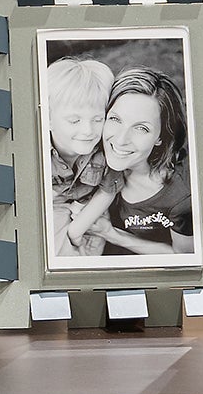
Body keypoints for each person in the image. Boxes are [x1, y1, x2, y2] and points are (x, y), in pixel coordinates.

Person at [72, 67, 195, 258]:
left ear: (161, 136)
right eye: (115, 119)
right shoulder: (89, 153)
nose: (121, 140)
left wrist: (111, 234)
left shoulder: (181, 196)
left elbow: (183, 254)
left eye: (141, 128)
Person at [43, 55, 116, 258]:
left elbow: (108, 189)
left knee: (89, 249)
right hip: (52, 203)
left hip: (91, 203)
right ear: (48, 119)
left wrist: (77, 230)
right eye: (74, 120)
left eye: (98, 119)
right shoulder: (38, 149)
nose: (88, 130)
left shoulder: (106, 147)